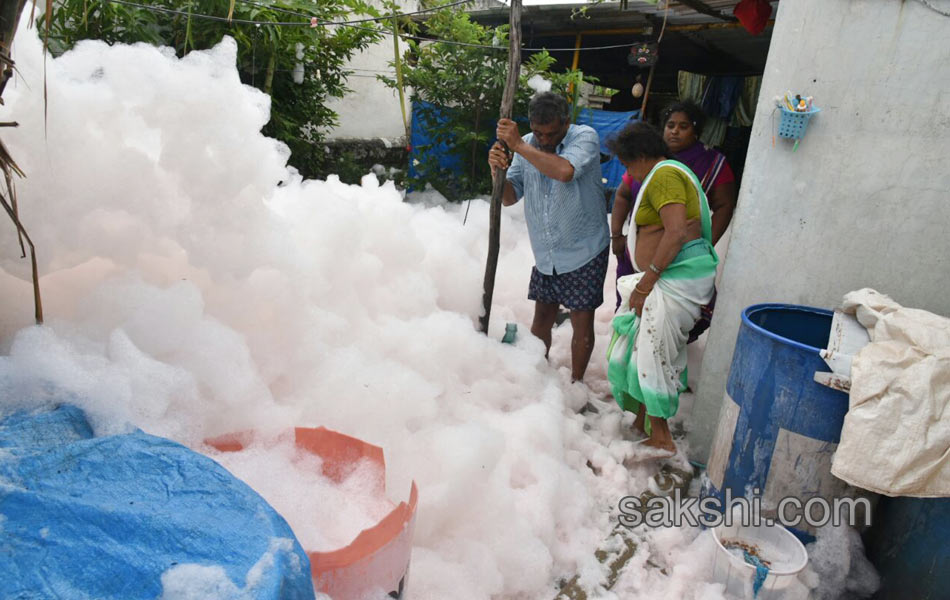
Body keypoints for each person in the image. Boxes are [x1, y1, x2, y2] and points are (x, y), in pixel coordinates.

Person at [605, 121, 719, 456]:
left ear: (640, 156)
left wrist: (647, 281)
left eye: (627, 165)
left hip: (671, 282)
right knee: (644, 351)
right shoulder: (668, 174)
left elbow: (675, 232)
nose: (630, 173)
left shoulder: (665, 177)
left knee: (653, 355)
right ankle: (643, 421)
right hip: (668, 281)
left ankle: (662, 437)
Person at [487, 92, 609, 383]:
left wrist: (518, 145)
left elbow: (564, 171)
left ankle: (576, 382)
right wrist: (497, 170)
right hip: (547, 251)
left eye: (551, 133)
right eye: (538, 132)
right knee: (542, 315)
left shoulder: (585, 137)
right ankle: (537, 377)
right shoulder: (528, 143)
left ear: (566, 122)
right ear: (531, 124)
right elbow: (509, 196)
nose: (543, 139)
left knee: (582, 319)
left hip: (585, 248)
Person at [611, 101, 737, 342]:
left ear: (696, 131)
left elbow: (722, 207)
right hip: (644, 260)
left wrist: (704, 244)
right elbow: (623, 194)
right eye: (670, 125)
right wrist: (617, 235)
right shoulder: (652, 163)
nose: (674, 131)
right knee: (641, 331)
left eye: (683, 126)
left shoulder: (681, 170)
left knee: (658, 338)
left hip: (671, 264)